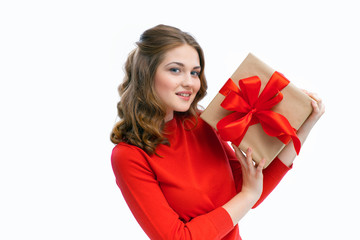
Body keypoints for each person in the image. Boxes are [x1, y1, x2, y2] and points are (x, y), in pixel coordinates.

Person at [110, 24, 325, 240]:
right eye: (175, 70)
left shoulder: (201, 124)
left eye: (195, 72)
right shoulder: (129, 155)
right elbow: (179, 238)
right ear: (146, 74)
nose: (189, 82)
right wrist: (248, 195)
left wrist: (304, 126)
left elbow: (249, 190)